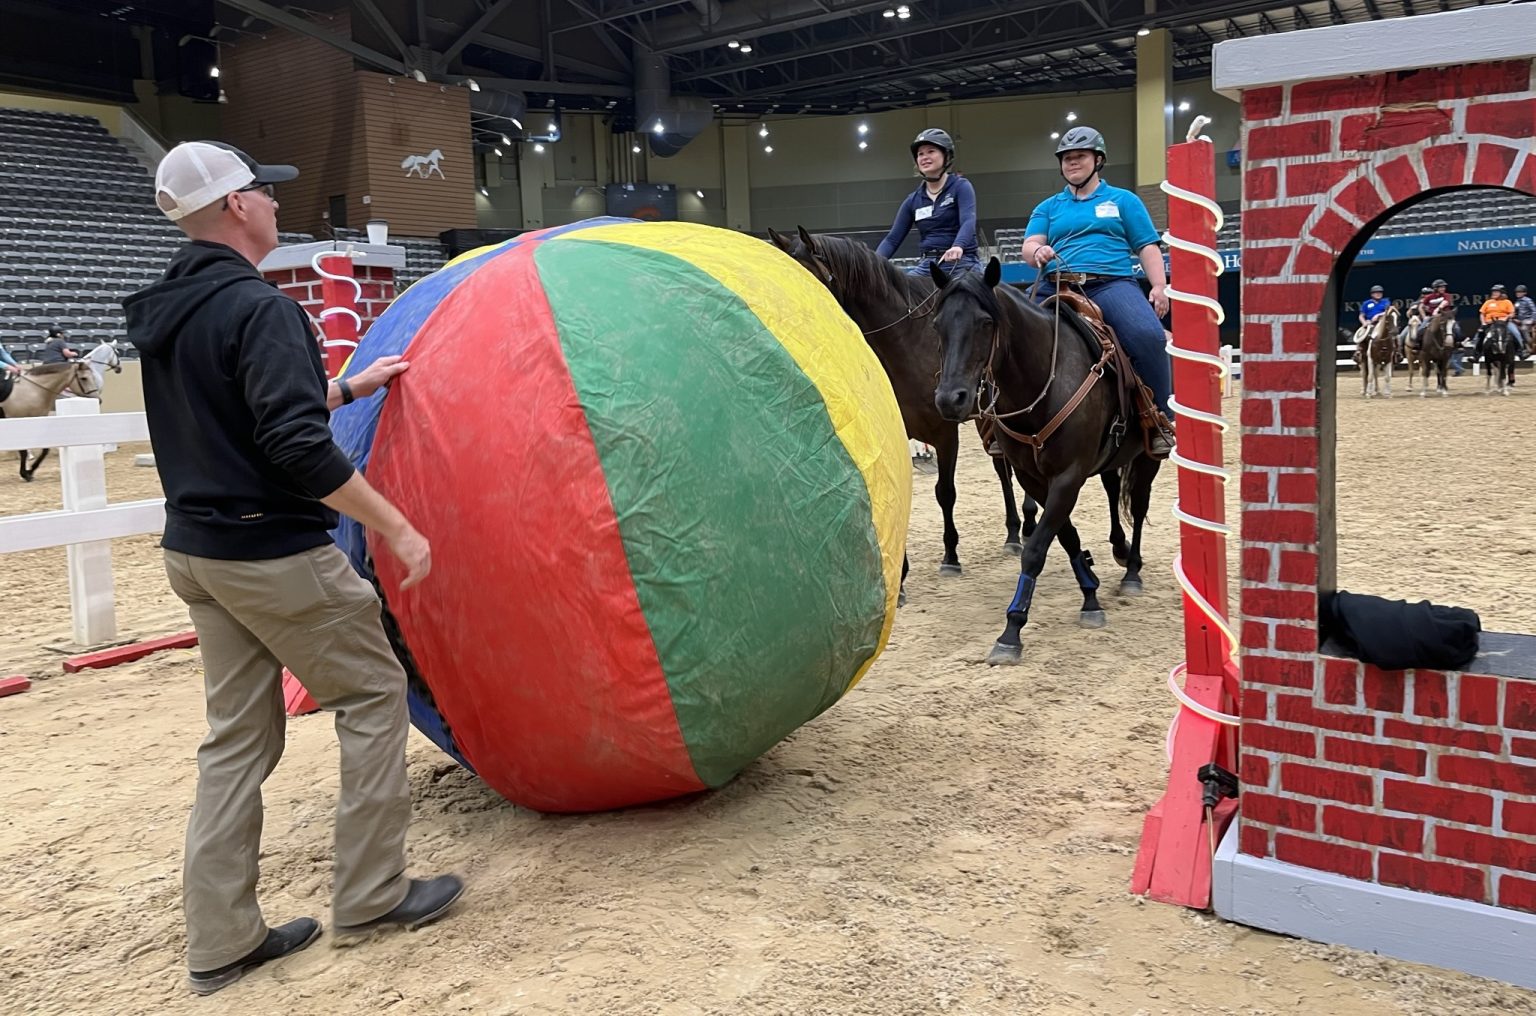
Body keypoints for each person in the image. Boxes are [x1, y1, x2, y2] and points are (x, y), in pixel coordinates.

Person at [122, 140, 464, 996]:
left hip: (195, 551)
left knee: (235, 742)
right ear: (236, 206)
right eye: (264, 195)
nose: (277, 206)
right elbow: (291, 445)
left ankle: (222, 939)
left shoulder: (169, 306)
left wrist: (352, 387)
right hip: (269, 549)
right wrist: (398, 527)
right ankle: (374, 893)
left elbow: (243, 413)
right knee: (372, 694)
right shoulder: (260, 308)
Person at [1020, 125, 1173, 457]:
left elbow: (1147, 246)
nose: (1072, 163)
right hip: (1056, 284)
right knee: (1009, 331)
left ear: (1098, 159)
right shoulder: (1049, 207)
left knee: (1149, 337)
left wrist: (1159, 286)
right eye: (1067, 159)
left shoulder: (1124, 200)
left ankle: (1159, 417)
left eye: (1080, 157)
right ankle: (997, 425)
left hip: (1111, 285)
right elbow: (1030, 244)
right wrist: (1038, 253)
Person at [875, 128, 980, 277]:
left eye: (931, 151)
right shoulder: (912, 200)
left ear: (946, 155)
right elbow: (892, 240)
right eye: (920, 154)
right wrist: (873, 263)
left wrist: (958, 246)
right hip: (927, 265)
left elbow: (968, 220)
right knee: (904, 294)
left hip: (962, 261)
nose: (924, 157)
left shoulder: (961, 186)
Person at [1421, 279, 1464, 375]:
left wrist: (1438, 309)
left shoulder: (1447, 296)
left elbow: (1445, 303)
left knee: (1456, 328)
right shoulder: (1429, 297)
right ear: (1435, 288)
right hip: (1433, 317)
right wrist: (1424, 315)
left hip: (1446, 316)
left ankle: (1458, 344)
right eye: (1441, 287)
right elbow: (1422, 306)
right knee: (1421, 328)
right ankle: (1418, 344)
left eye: (1444, 287)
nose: (1443, 288)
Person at [1479, 283, 1525, 358]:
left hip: (1504, 323)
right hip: (1490, 323)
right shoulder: (1488, 302)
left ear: (1502, 293)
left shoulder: (1507, 302)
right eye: (1493, 291)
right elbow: (1482, 314)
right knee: (1479, 336)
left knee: (1515, 332)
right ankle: (1476, 354)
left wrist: (1506, 318)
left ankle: (1521, 351)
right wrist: (1483, 323)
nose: (1494, 293)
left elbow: (1512, 313)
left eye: (1496, 291)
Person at [1515, 284, 1535, 356]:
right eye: (1517, 292)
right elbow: (1516, 312)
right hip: (1519, 321)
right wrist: (1515, 319)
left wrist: (1532, 320)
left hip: (1527, 320)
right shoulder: (1517, 302)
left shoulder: (1528, 300)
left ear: (1524, 293)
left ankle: (1530, 346)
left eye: (1520, 292)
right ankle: (1520, 348)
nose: (1518, 293)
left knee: (1523, 329)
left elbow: (1534, 311)